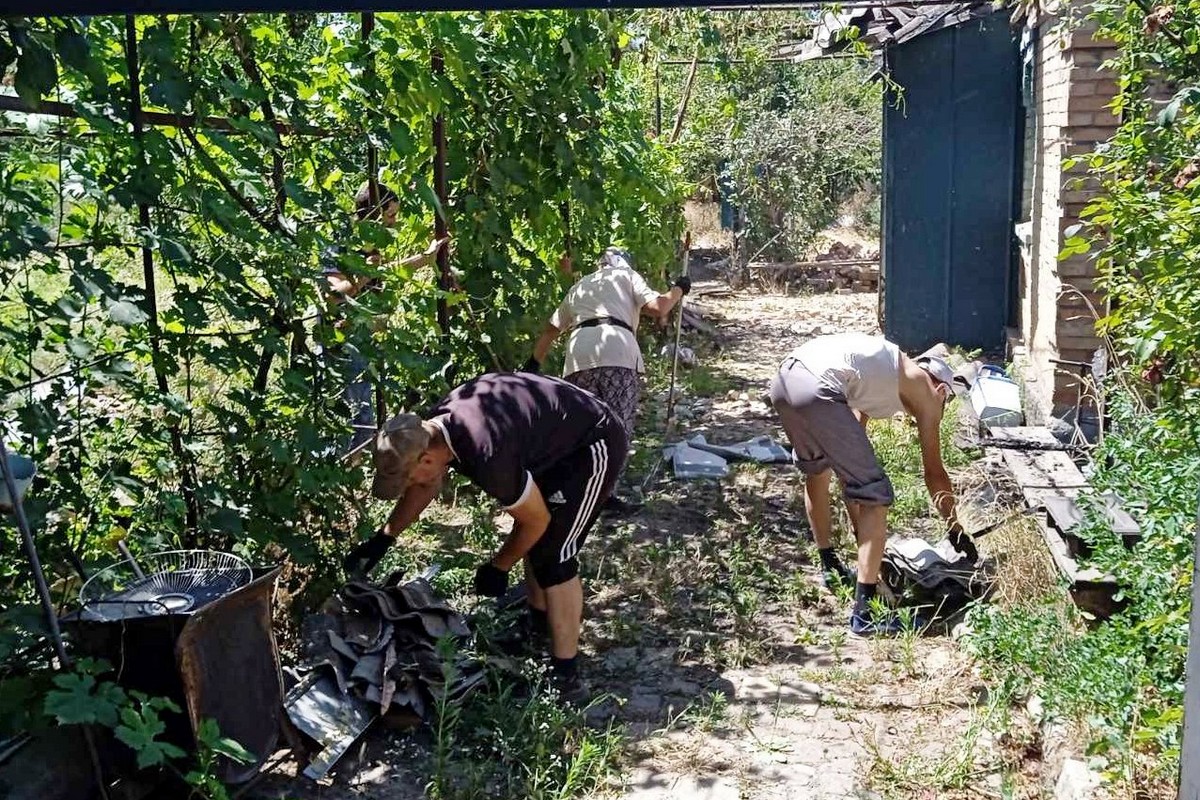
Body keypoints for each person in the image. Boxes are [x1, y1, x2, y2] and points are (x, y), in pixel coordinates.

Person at [342, 372, 627, 701]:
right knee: (541, 546)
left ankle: (567, 674)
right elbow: (426, 483)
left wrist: (498, 566)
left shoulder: (487, 453)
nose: (409, 486)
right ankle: (537, 626)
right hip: (551, 441)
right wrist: (384, 538)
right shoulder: (434, 427)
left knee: (555, 556)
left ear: (426, 459)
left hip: (592, 443)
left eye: (407, 479)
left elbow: (535, 521)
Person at [767, 333, 972, 636]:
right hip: (819, 388)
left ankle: (831, 567)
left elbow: (847, 470)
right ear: (941, 389)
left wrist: (860, 531)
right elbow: (934, 474)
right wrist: (956, 529)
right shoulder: (926, 392)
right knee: (876, 495)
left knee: (818, 471)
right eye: (948, 401)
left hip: (785, 381)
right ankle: (865, 615)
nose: (942, 409)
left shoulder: (883, 374)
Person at [522, 247, 690, 511]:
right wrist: (679, 289)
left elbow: (551, 329)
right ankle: (603, 495)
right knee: (616, 428)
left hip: (579, 356)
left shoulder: (581, 285)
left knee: (582, 427)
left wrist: (533, 364)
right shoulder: (626, 275)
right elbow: (658, 308)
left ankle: (572, 492)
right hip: (617, 354)